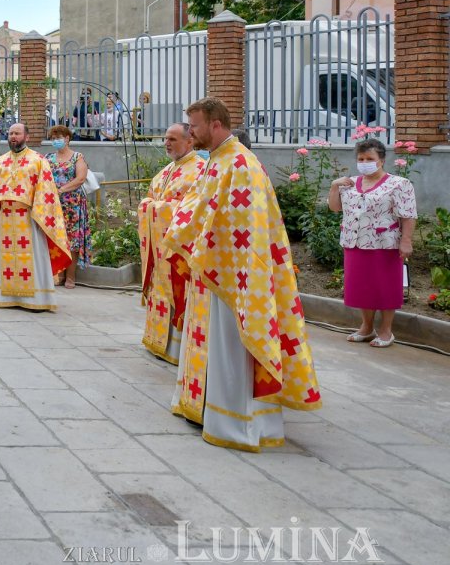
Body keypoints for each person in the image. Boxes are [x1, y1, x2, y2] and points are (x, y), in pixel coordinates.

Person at [163, 97, 322, 452]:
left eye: (195, 126)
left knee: (232, 346)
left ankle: (236, 421)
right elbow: (198, 208)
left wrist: (192, 238)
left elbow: (243, 228)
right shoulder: (216, 162)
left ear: (215, 124)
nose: (191, 132)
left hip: (235, 276)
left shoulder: (241, 165)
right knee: (213, 345)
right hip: (213, 269)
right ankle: (208, 408)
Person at [327, 138, 417, 348]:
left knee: (385, 287)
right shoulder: (349, 183)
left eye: (370, 158)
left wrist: (406, 240)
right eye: (361, 158)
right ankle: (366, 327)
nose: (365, 161)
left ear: (382, 160)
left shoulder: (399, 184)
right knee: (361, 286)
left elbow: (408, 214)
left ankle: (386, 331)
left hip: (385, 243)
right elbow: (334, 208)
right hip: (355, 242)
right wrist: (334, 186)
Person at [0, 122, 71, 311]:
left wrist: (40, 215)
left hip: (30, 218)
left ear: (26, 137)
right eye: (10, 133)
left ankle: (36, 299)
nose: (13, 136)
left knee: (33, 257)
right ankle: (7, 296)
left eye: (17, 133)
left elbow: (46, 191)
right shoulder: (0, 162)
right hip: (6, 218)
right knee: (7, 259)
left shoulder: (38, 160)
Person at [137, 123, 205, 364]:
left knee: (177, 291)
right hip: (158, 246)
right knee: (159, 292)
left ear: (190, 141)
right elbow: (149, 197)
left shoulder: (199, 170)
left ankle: (176, 348)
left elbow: (194, 210)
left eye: (173, 139)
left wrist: (155, 209)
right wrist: (149, 207)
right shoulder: (166, 171)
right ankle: (157, 341)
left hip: (177, 249)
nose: (167, 143)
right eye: (165, 138)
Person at [45, 124, 92, 288]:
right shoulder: (48, 158)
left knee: (72, 241)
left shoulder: (77, 157)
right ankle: (59, 273)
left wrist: (61, 190)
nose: (55, 141)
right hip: (54, 205)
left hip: (73, 205)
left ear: (67, 138)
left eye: (58, 138)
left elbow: (80, 179)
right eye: (53, 138)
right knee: (55, 238)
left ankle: (71, 276)